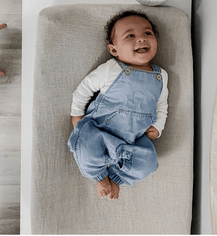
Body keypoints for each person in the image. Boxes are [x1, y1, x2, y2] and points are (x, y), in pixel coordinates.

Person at [68, 10, 168, 200]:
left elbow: (161, 104)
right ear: (114, 50)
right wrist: (76, 114)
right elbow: (85, 88)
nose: (141, 39)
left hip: (133, 139)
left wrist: (158, 126)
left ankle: (117, 177)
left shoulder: (161, 76)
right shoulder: (112, 69)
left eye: (147, 33)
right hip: (99, 129)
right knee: (84, 144)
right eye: (130, 36)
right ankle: (99, 176)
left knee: (149, 162)